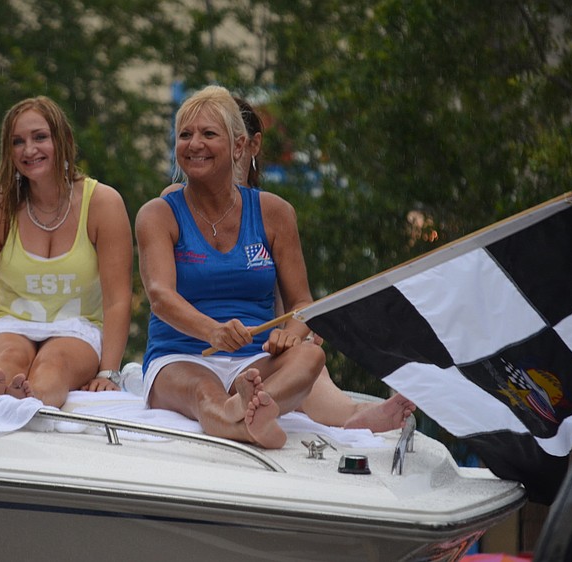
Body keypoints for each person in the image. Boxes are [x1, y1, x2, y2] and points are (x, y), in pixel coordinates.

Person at [137, 86, 413, 449]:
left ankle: (251, 406)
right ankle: (243, 418)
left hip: (253, 359)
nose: (194, 144)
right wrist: (213, 331)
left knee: (311, 355)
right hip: (180, 355)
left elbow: (302, 303)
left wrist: (291, 334)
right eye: (185, 134)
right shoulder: (157, 213)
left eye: (208, 134)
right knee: (204, 393)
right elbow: (160, 297)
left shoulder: (276, 212)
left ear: (239, 146)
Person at [0, 96, 133, 407]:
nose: (29, 150)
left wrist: (108, 372)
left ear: (63, 141)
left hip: (77, 327)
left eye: (40, 137)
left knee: (54, 364)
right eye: (17, 142)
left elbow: (118, 299)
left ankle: (30, 398)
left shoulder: (103, 203)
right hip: (9, 323)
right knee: (6, 359)